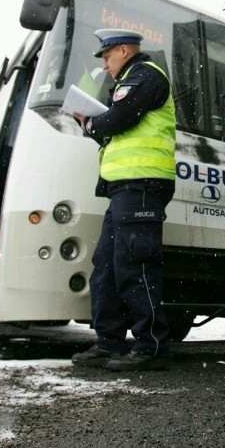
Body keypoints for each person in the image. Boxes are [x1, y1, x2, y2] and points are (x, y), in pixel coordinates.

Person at [71, 28, 176, 371]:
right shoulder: (129, 80)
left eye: (107, 55)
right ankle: (109, 342)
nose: (105, 63)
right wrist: (93, 125)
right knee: (106, 267)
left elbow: (118, 119)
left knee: (136, 266)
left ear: (126, 50)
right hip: (123, 189)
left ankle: (152, 347)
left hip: (143, 186)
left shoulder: (146, 75)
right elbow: (117, 127)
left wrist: (90, 123)